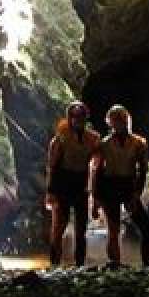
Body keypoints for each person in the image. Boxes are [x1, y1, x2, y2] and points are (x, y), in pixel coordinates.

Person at [90, 104, 149, 266]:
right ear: (110, 122)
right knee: (113, 230)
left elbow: (142, 170)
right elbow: (96, 171)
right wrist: (95, 198)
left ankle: (148, 263)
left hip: (128, 185)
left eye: (122, 118)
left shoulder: (138, 143)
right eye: (116, 119)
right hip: (109, 186)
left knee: (146, 228)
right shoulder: (103, 144)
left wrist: (136, 194)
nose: (120, 122)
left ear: (128, 120)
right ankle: (115, 264)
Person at [45, 100, 101, 267]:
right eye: (74, 116)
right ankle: (54, 264)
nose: (77, 119)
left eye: (81, 116)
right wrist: (50, 192)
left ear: (85, 117)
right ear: (69, 117)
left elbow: (98, 162)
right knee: (58, 228)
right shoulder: (60, 138)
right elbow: (52, 166)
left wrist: (95, 191)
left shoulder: (93, 138)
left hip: (81, 185)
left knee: (81, 229)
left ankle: (79, 264)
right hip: (62, 184)